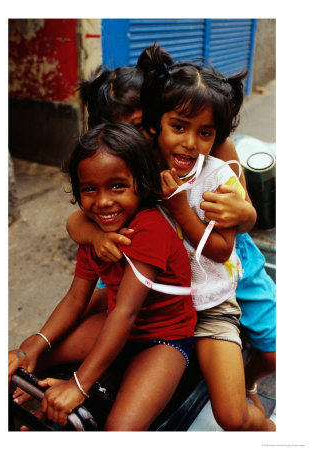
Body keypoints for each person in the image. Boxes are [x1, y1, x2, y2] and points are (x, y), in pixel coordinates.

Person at [66, 48, 276, 414]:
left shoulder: (211, 154)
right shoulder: (136, 167)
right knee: (99, 313)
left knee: (272, 354)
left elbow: (235, 224)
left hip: (224, 269)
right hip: (157, 269)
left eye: (137, 126)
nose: (132, 141)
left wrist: (246, 213)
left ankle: (248, 383)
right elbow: (77, 220)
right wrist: (98, 236)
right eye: (118, 132)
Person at [8, 122, 197, 431]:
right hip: (113, 322)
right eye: (89, 189)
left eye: (117, 186)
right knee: (20, 364)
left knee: (120, 429)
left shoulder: (149, 229)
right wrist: (34, 345)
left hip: (163, 339)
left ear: (142, 182)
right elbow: (74, 299)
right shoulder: (93, 231)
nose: (103, 201)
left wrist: (77, 385)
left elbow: (126, 312)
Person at [136, 44, 275, 431]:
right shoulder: (140, 166)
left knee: (231, 416)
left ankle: (266, 429)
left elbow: (221, 249)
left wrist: (181, 209)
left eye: (205, 133)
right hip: (155, 305)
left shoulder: (216, 179)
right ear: (154, 124)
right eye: (179, 126)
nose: (190, 143)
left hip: (210, 308)